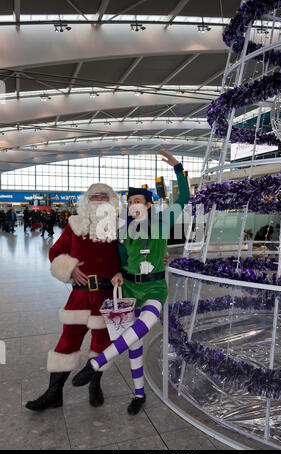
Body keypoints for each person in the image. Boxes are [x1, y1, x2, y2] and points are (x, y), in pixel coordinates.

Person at [71, 150, 191, 415]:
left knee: (144, 325)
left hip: (155, 288)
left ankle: (94, 365)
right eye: (131, 201)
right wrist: (118, 273)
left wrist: (178, 167)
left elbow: (184, 197)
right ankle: (139, 394)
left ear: (148, 204)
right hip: (128, 289)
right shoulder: (124, 228)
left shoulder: (163, 222)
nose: (134, 204)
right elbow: (119, 258)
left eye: (138, 200)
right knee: (133, 344)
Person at [25, 183, 122, 412]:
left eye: (104, 197)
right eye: (95, 196)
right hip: (80, 295)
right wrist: (70, 269)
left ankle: (95, 385)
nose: (99, 200)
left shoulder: (122, 226)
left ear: (112, 202)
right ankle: (54, 393)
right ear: (87, 201)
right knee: (67, 341)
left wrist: (159, 259)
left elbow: (136, 254)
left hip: (108, 295)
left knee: (102, 343)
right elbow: (55, 252)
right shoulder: (75, 225)